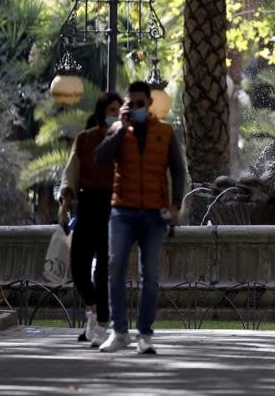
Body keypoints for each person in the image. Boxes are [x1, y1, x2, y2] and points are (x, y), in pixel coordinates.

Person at [94, 81, 186, 355]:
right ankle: (118, 331)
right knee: (115, 267)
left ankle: (145, 334)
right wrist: (120, 129)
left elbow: (178, 171)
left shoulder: (166, 132)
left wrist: (176, 205)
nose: (133, 108)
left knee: (151, 277)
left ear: (148, 104)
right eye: (129, 103)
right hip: (123, 210)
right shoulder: (118, 131)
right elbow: (101, 158)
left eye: (138, 103)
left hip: (154, 214)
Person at [59, 92, 123, 347]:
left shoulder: (125, 142)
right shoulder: (84, 140)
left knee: (106, 270)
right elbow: (70, 175)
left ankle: (101, 326)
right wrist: (64, 207)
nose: (115, 115)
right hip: (87, 205)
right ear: (101, 112)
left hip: (114, 207)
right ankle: (95, 311)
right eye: (111, 110)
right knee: (79, 268)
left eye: (119, 111)